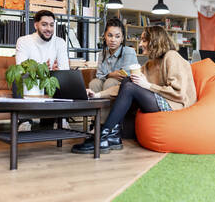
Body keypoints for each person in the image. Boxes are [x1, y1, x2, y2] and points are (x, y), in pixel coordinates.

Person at [72, 26, 197, 154]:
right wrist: (97, 95)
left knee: (131, 84)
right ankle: (111, 136)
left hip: (175, 104)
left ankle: (103, 135)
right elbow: (124, 86)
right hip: (160, 100)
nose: (141, 44)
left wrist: (147, 85)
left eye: (144, 40)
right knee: (128, 80)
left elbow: (179, 93)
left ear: (155, 41)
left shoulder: (171, 56)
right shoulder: (150, 64)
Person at [15, 10, 70, 131]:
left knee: (63, 77)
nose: (49, 29)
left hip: (49, 81)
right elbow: (21, 68)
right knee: (17, 78)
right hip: (31, 80)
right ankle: (24, 120)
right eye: (44, 24)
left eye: (51, 25)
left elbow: (65, 69)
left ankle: (61, 119)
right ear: (36, 25)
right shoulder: (24, 41)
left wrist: (54, 71)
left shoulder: (60, 42)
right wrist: (43, 68)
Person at [88, 17, 138, 124]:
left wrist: (109, 76)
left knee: (109, 82)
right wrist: (111, 74)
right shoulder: (102, 53)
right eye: (110, 35)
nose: (113, 40)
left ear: (122, 38)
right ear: (105, 36)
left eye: (117, 36)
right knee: (94, 83)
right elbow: (99, 75)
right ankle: (94, 122)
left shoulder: (128, 51)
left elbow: (124, 76)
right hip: (108, 81)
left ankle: (105, 125)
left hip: (126, 87)